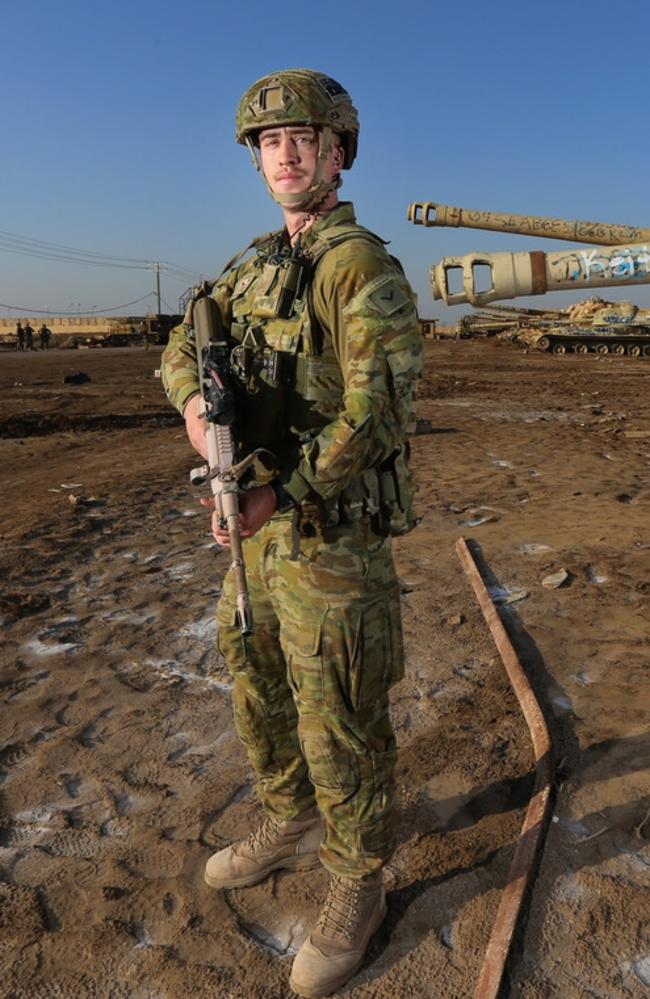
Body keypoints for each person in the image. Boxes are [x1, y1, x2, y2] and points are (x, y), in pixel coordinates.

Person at [161, 69, 422, 997]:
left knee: (339, 712)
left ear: (339, 151)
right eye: (271, 143)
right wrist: (200, 414)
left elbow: (378, 412)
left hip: (333, 538)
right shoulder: (253, 262)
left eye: (305, 138)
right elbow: (184, 343)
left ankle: (358, 880)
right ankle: (290, 820)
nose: (288, 154)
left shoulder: (359, 267)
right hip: (257, 529)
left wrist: (291, 486)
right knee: (257, 679)